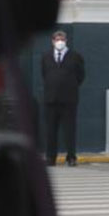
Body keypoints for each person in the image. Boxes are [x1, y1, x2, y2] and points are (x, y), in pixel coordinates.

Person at [40, 30, 86, 167]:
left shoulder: (75, 56)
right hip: (51, 99)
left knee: (69, 130)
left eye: (62, 39)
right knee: (50, 130)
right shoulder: (46, 56)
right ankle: (50, 157)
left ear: (66, 41)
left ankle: (71, 157)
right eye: (57, 39)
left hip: (69, 99)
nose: (59, 41)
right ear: (52, 41)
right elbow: (44, 75)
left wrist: (70, 86)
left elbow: (81, 76)